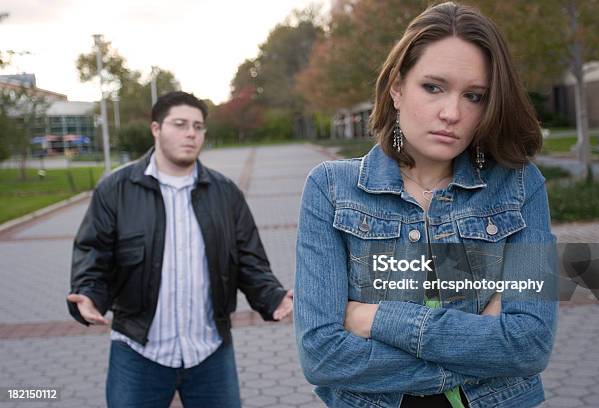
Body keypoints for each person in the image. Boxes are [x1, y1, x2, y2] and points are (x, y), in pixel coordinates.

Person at [295, 2, 557, 408]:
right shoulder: (331, 190)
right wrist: (483, 344)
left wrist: (375, 318)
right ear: (397, 88)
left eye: (474, 95)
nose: (452, 112)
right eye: (433, 87)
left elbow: (530, 346)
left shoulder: (519, 186)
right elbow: (323, 355)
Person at [67, 91, 293, 408]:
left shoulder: (225, 192)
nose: (191, 133)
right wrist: (88, 295)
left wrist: (272, 296)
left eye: (198, 126)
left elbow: (248, 259)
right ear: (156, 128)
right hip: (138, 351)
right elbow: (95, 254)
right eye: (180, 124)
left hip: (210, 352)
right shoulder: (115, 189)